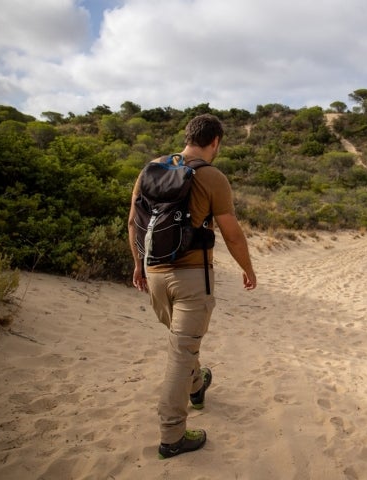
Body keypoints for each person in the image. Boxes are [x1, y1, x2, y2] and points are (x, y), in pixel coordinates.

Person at [128, 114, 257, 459]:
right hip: (191, 279)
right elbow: (232, 234)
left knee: (184, 342)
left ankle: (197, 388)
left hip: (155, 276)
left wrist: (139, 264)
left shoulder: (151, 169)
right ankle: (172, 436)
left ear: (187, 136)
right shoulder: (212, 177)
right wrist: (248, 269)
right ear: (215, 141)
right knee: (180, 352)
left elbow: (134, 222)